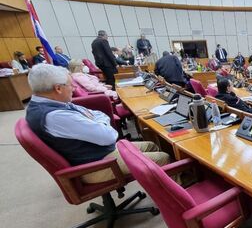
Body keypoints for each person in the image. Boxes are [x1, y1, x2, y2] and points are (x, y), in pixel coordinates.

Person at [25, 64, 169, 184]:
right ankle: (177, 202)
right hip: (96, 165)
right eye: (70, 85)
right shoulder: (54, 116)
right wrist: (99, 121)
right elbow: (110, 136)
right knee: (164, 158)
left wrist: (97, 121)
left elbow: (97, 115)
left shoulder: (50, 104)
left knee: (151, 145)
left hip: (97, 152)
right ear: (58, 88)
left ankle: (159, 186)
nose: (74, 89)